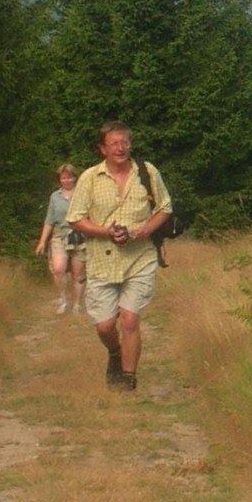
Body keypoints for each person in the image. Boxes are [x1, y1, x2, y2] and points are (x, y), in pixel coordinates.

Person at [65, 121, 172, 392]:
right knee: (104, 326)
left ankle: (127, 378)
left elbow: (165, 208)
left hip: (140, 257)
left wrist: (145, 230)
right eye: (114, 143)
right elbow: (75, 218)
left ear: (130, 144)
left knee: (130, 319)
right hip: (102, 259)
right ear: (103, 149)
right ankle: (115, 352)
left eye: (124, 142)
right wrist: (106, 232)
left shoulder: (147, 172)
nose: (120, 148)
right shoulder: (90, 177)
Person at [33, 164, 84, 313]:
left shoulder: (83, 194)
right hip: (59, 236)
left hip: (79, 236)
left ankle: (77, 305)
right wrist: (42, 242)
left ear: (75, 178)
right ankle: (63, 299)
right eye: (63, 178)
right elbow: (49, 220)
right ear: (59, 180)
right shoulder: (55, 197)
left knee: (78, 273)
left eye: (69, 177)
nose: (66, 180)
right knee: (58, 268)